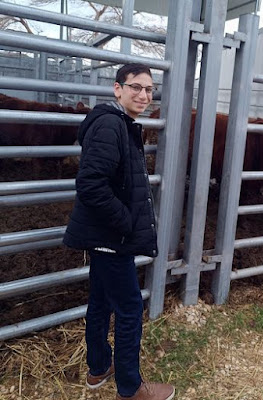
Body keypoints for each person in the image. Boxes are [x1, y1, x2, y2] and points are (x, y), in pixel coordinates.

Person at [63, 63, 175, 400]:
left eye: (149, 89)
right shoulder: (111, 125)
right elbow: (91, 185)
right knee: (129, 309)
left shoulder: (119, 124)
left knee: (100, 301)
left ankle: (98, 368)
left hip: (105, 237)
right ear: (117, 89)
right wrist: (125, 223)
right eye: (136, 87)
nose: (143, 95)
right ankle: (130, 388)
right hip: (112, 238)